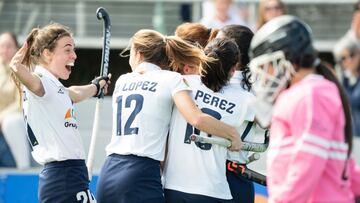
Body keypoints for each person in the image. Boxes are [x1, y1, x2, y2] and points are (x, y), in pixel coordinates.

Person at [96, 29, 241, 203]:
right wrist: (232, 134)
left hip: (109, 170)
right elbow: (196, 119)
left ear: (138, 53)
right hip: (141, 172)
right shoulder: (171, 79)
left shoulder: (122, 80)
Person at [249, 15, 360, 202]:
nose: (265, 75)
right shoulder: (307, 92)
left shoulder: (310, 94)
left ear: (287, 60)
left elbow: (308, 161)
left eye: (267, 66)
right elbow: (340, 165)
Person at [9, 22, 110, 202]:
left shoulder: (54, 88)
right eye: (67, 50)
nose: (74, 55)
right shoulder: (41, 83)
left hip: (69, 176)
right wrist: (16, 64)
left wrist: (96, 86)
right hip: (63, 177)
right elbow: (23, 74)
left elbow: (73, 93)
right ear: (47, 53)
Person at [163, 38, 253, 203]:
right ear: (234, 70)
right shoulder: (245, 99)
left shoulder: (182, 82)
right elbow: (269, 120)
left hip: (174, 186)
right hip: (213, 190)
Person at [216, 24, 258, 203]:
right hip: (239, 176)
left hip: (222, 174)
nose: (210, 48)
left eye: (217, 43)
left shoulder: (221, 86)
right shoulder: (256, 87)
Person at [0, 31, 30, 169]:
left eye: (8, 46)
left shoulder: (22, 69)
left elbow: (21, 103)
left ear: (17, 48)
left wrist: (1, 117)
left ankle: (22, 169)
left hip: (15, 119)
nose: (4, 50)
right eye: (1, 46)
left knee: (11, 121)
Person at [333, 37, 360, 137]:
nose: (348, 61)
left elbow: (354, 100)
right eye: (343, 59)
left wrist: (343, 78)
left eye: (352, 55)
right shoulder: (350, 79)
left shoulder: (346, 79)